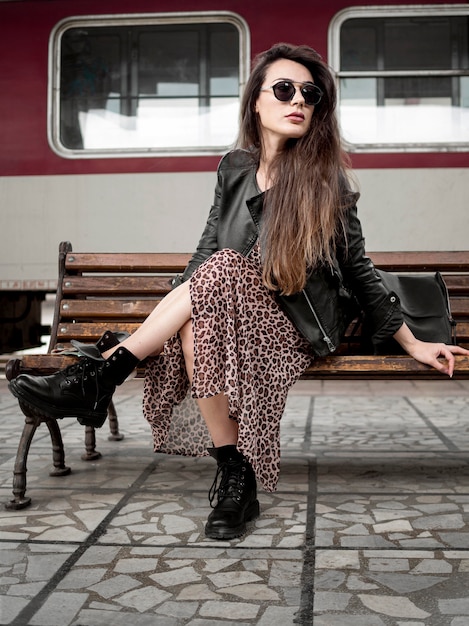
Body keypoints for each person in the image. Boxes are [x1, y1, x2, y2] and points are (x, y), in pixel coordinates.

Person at [9, 43, 469, 541]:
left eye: (311, 94)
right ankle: (235, 475)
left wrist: (412, 341)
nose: (299, 101)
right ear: (256, 101)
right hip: (229, 310)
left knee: (221, 270)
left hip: (299, 323)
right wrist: (176, 306)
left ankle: (103, 375)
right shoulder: (234, 168)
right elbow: (204, 252)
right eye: (285, 89)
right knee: (206, 292)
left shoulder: (326, 180)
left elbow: (359, 269)